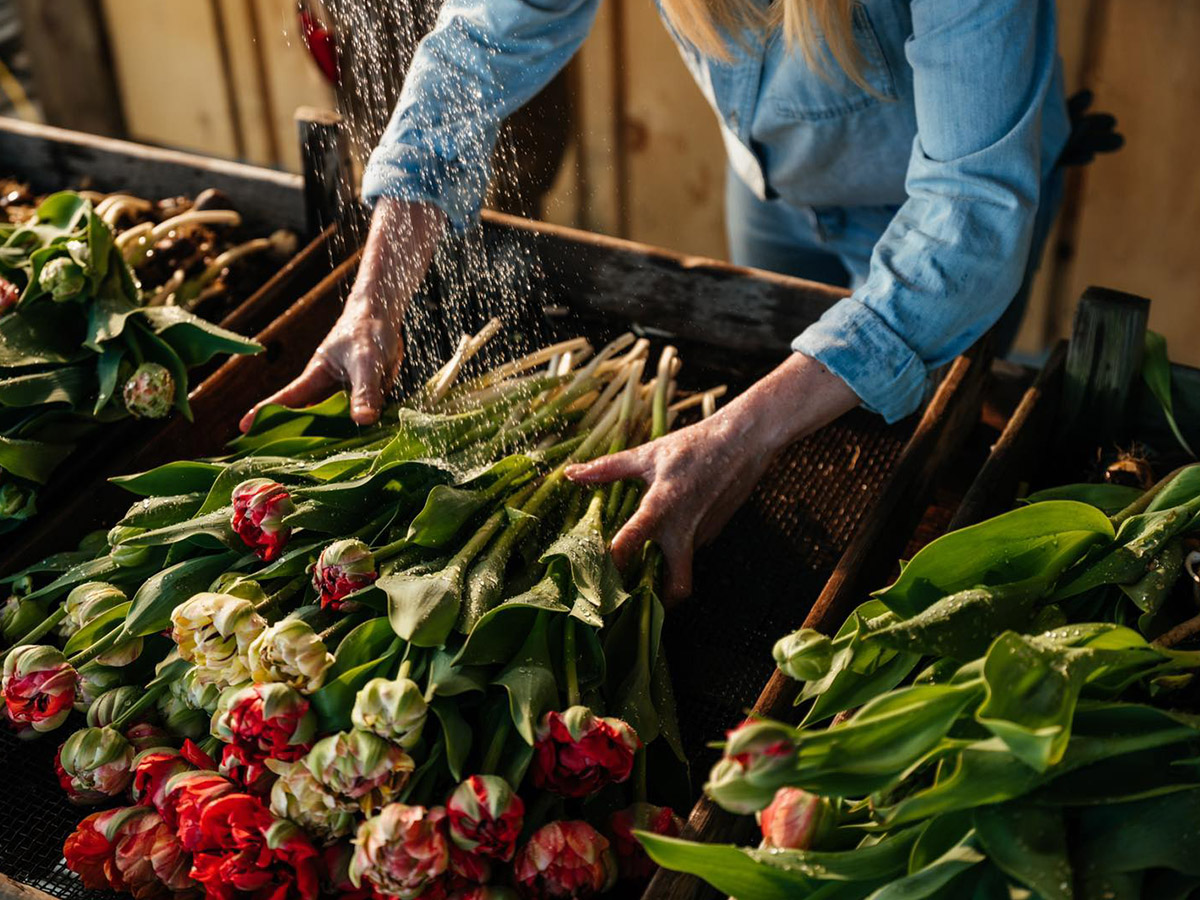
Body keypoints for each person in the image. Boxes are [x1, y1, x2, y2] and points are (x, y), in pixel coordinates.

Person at [243, 0, 1070, 602]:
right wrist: (375, 296)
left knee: (913, 477)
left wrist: (738, 433)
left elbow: (971, 211)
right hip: (776, 186)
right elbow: (476, 45)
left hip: (945, 222)